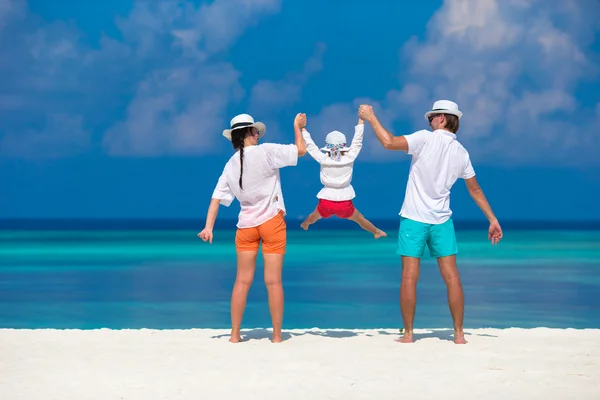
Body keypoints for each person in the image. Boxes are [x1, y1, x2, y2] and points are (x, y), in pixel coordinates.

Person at [358, 100, 503, 344]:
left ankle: (408, 334)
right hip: (442, 221)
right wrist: (492, 219)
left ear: (442, 119)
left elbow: (388, 142)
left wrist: (371, 117)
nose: (429, 121)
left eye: (432, 117)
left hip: (414, 219)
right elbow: (475, 190)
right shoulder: (461, 152)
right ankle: (458, 335)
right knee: (452, 278)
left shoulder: (425, 139)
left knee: (409, 277)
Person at [198, 112, 307, 343]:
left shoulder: (230, 164)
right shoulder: (266, 152)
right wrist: (298, 127)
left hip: (245, 227)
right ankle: (277, 336)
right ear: (248, 133)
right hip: (272, 223)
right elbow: (300, 150)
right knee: (274, 281)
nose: (258, 134)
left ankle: (235, 336)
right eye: (256, 131)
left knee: (242, 281)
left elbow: (216, 199)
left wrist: (209, 227)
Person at [299, 117, 387, 239]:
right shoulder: (349, 158)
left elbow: (310, 146)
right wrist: (361, 121)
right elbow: (357, 142)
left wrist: (302, 129)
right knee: (360, 219)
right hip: (344, 202)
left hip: (326, 201)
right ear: (344, 147)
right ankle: (376, 232)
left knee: (313, 217)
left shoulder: (323, 159)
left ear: (328, 148)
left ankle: (305, 223)